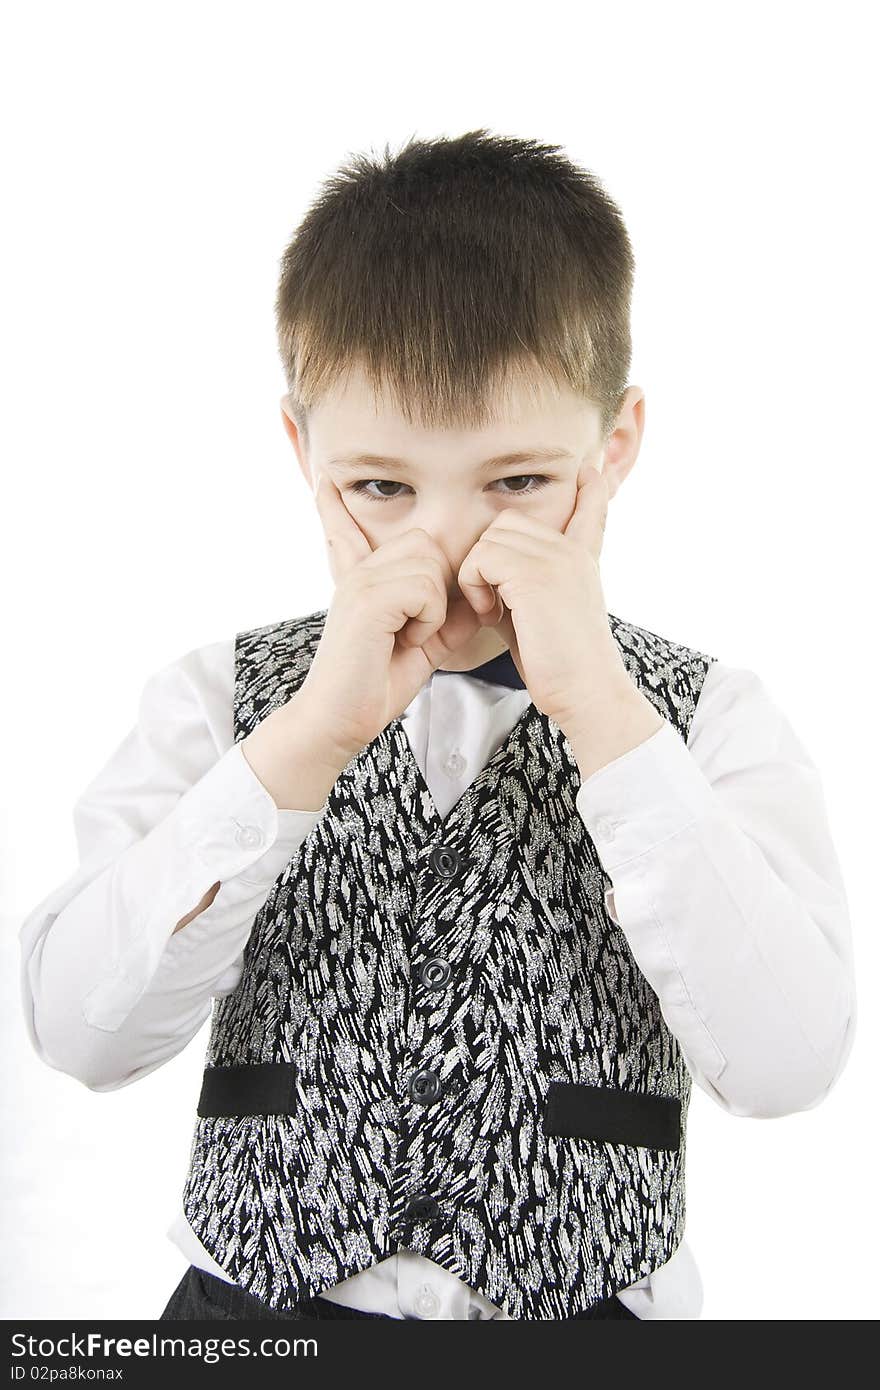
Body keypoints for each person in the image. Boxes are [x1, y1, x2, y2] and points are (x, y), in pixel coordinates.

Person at [18, 129, 856, 1321]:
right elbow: (75, 1032)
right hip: (251, 1319)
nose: (451, 552)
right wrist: (301, 743)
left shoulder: (710, 719)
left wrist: (607, 720)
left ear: (612, 449)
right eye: (381, 488)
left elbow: (785, 1067)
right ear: (302, 452)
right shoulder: (217, 699)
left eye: (517, 484)